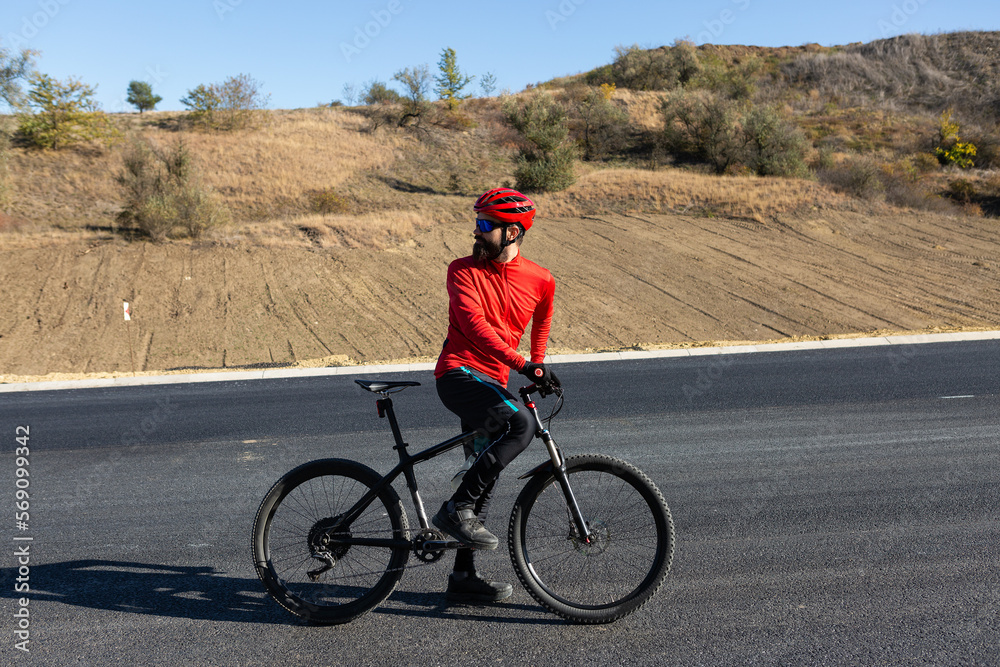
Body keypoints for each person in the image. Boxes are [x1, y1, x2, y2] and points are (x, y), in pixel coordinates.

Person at [432, 187, 559, 603]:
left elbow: (540, 322)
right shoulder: (461, 270)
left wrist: (537, 367)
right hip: (459, 375)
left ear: (512, 232)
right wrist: (524, 364)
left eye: (485, 225)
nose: (476, 231)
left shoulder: (540, 279)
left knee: (483, 475)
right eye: (478, 222)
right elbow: (474, 328)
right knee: (520, 425)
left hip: (492, 384)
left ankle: (462, 577)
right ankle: (454, 509)